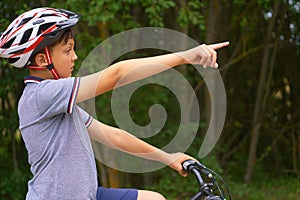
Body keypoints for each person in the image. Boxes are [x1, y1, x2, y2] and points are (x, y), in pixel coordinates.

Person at [0, 7, 229, 200]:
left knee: (154, 199)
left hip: (87, 194)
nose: (75, 57)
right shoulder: (40, 96)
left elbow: (112, 136)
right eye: (68, 50)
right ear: (42, 60)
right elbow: (116, 75)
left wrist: (168, 157)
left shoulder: (61, 106)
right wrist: (186, 57)